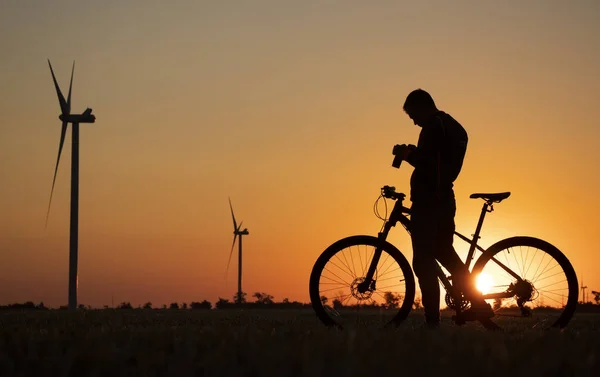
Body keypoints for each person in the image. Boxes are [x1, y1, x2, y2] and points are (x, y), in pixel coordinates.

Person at [393, 88, 493, 328]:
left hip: (430, 201)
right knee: (444, 253)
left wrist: (408, 155)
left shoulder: (434, 127)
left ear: (422, 107)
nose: (414, 121)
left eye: (413, 115)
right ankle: (478, 304)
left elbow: (430, 164)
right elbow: (437, 160)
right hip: (444, 198)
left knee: (423, 261)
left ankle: (432, 321)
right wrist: (415, 153)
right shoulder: (448, 124)